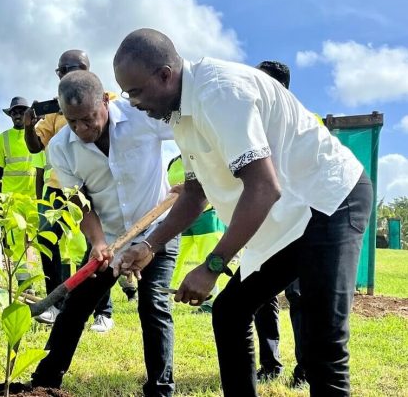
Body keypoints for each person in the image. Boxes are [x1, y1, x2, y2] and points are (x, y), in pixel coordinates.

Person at [113, 28, 372, 397]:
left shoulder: (219, 92)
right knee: (231, 311)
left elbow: (264, 187)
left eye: (135, 91)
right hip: (289, 214)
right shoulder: (178, 114)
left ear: (165, 74)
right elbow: (194, 193)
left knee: (323, 341)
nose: (132, 102)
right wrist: (149, 246)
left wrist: (212, 266)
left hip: (329, 199)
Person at [31, 70, 178, 397]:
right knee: (76, 306)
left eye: (89, 119)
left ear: (105, 101)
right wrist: (97, 242)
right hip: (110, 239)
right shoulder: (61, 148)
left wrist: (197, 177)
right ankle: (44, 382)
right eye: (73, 122)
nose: (82, 129)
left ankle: (160, 390)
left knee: (153, 305)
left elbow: (192, 133)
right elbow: (80, 203)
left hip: (158, 229)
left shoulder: (143, 118)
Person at [23, 49, 128, 330]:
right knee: (47, 243)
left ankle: (103, 312)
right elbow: (35, 147)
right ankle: (56, 305)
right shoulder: (55, 111)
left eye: (71, 67)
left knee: (99, 249)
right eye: (60, 70)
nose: (64, 73)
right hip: (58, 190)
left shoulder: (105, 99)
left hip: (92, 189)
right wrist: (28, 127)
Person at [252, 60, 305, 386]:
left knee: (300, 299)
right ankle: (270, 364)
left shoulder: (302, 121)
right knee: (261, 300)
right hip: (262, 226)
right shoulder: (251, 125)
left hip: (298, 225)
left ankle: (306, 370)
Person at [0, 96, 46, 289]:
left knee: (37, 242)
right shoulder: (2, 139)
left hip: (34, 199)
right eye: (14, 112)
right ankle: (25, 285)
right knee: (16, 244)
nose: (17, 115)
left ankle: (44, 282)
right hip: (12, 200)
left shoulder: (39, 134)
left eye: (21, 111)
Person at [167, 155, 225, 312]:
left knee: (208, 258)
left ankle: (208, 302)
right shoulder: (173, 162)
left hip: (206, 216)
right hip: (182, 217)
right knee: (175, 257)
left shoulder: (203, 156)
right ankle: (164, 298)